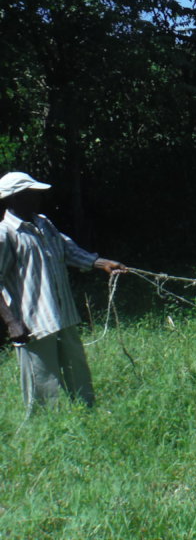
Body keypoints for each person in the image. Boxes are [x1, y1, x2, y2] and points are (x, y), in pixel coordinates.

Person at [0, 171, 127, 411]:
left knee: (79, 376)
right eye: (31, 194)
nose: (38, 198)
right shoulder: (5, 234)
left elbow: (68, 251)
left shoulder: (44, 224)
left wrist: (102, 263)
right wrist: (12, 323)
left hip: (63, 315)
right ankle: (46, 432)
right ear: (14, 198)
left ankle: (88, 417)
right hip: (32, 324)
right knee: (43, 388)